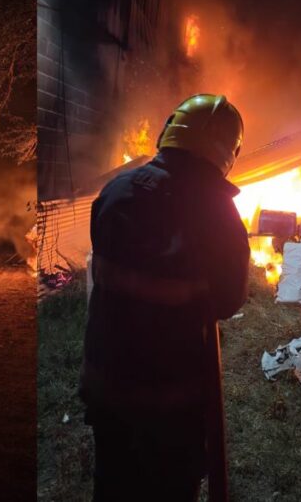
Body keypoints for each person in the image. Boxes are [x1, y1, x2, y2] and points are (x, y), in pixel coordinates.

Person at [81, 94, 251, 501]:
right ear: (228, 150)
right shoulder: (218, 213)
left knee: (113, 485)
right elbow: (229, 300)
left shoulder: (115, 191)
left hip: (108, 383)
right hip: (171, 402)